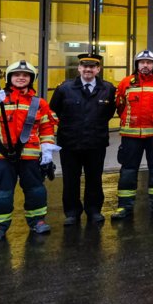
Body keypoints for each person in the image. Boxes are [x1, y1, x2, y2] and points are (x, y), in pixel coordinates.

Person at [0, 60, 59, 242]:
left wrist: (47, 151)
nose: (21, 78)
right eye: (17, 75)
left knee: (35, 190)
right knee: (2, 192)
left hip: (30, 154)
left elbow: (46, 128)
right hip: (1, 155)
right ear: (10, 77)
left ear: (31, 78)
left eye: (25, 75)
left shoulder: (39, 103)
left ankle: (38, 221)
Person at [50, 51, 116, 225]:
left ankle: (94, 210)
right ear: (79, 68)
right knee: (71, 179)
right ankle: (72, 212)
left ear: (98, 69)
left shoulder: (108, 89)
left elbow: (108, 113)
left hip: (96, 142)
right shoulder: (64, 88)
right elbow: (54, 110)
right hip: (70, 142)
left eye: (92, 66)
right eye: (85, 66)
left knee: (94, 177)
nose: (88, 69)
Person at [112, 50, 153, 219]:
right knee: (128, 171)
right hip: (131, 136)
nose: (145, 65)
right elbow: (120, 105)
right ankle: (124, 207)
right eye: (141, 62)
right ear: (136, 64)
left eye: (149, 62)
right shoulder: (126, 82)